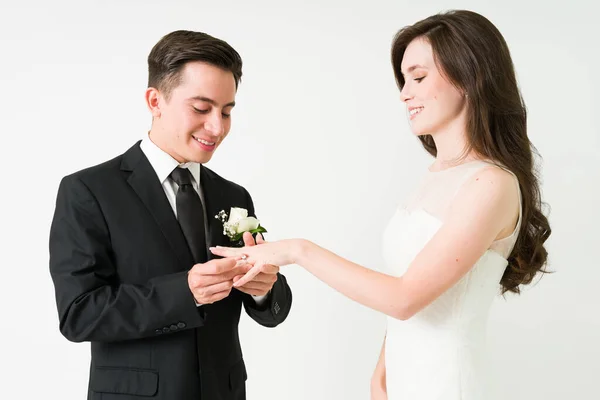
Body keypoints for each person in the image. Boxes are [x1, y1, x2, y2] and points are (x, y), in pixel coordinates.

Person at [210, 10, 551, 400]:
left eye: (419, 78)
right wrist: (382, 373)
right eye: (404, 80)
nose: (405, 93)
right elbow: (411, 295)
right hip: (403, 382)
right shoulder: (435, 176)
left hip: (448, 384)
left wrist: (296, 250)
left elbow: (404, 298)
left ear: (470, 77)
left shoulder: (491, 183)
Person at [49, 30, 292, 400]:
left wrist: (265, 291)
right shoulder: (88, 191)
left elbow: (272, 309)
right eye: (201, 108)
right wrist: (184, 292)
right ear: (155, 100)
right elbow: (78, 314)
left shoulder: (234, 195)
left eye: (227, 111)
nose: (218, 127)